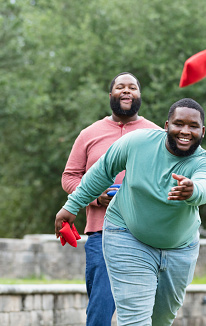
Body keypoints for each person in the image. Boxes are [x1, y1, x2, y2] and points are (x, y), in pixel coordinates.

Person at [56, 98, 206, 325]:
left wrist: (192, 191)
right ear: (166, 125)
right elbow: (101, 172)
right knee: (135, 319)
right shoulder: (137, 143)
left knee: (161, 319)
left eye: (193, 126)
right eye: (178, 124)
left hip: (180, 249)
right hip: (127, 235)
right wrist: (71, 206)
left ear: (202, 131)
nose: (185, 131)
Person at [61, 72, 160, 325]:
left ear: (140, 95)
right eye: (120, 87)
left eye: (133, 87)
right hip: (102, 233)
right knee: (100, 308)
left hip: (145, 234)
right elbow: (69, 177)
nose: (126, 91)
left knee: (145, 309)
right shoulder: (89, 134)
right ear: (111, 96)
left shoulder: (156, 134)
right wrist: (95, 196)